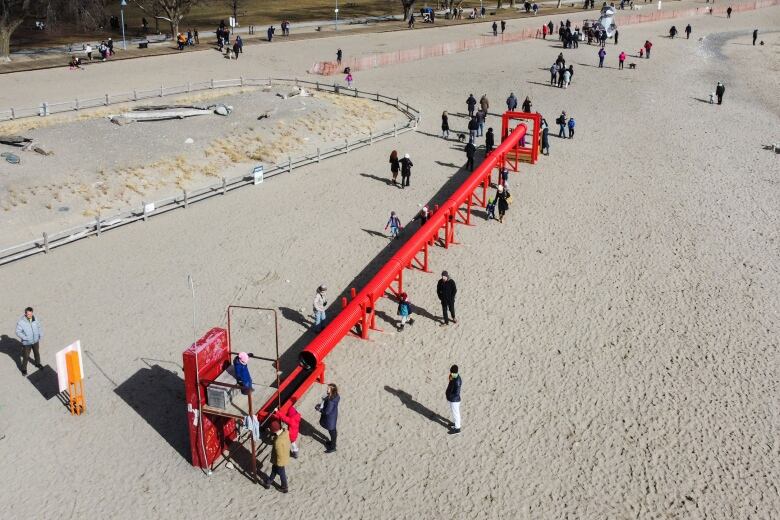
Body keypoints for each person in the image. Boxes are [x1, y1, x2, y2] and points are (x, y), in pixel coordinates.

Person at [260, 420, 290, 493]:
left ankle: (284, 487)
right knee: (274, 469)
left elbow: (279, 454)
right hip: (285, 455)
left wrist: (278, 463)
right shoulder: (285, 432)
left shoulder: (278, 442)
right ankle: (268, 482)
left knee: (281, 472)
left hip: (279, 460)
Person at [16, 307, 43, 376]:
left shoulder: (35, 318)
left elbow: (39, 326)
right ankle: (24, 369)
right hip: (27, 343)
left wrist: (40, 334)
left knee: (37, 353)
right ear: (25, 314)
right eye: (28, 314)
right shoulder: (21, 322)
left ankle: (37, 364)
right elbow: (18, 332)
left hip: (35, 340)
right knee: (26, 356)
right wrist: (25, 338)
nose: (30, 316)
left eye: (31, 314)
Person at [316, 383, 340, 453]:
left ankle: (333, 447)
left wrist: (319, 409)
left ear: (332, 390)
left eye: (328, 388)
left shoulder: (330, 401)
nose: (327, 389)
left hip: (330, 419)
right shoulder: (336, 396)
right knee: (333, 431)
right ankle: (332, 443)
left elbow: (326, 412)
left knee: (332, 432)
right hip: (333, 416)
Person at [445, 365, 462, 434]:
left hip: (454, 400)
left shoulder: (457, 381)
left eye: (452, 372)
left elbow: (456, 392)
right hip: (453, 399)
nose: (450, 374)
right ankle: (455, 424)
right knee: (454, 413)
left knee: (456, 414)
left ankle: (457, 429)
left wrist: (449, 396)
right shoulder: (454, 377)